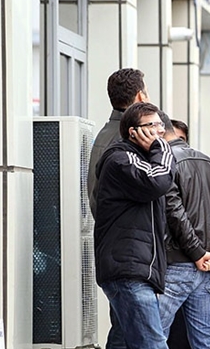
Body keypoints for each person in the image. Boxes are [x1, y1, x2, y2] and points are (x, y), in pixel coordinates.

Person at [93, 102, 175, 349]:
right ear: (133, 131)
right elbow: (158, 181)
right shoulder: (122, 159)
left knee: (123, 342)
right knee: (153, 343)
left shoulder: (140, 159)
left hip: (134, 267)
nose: (160, 131)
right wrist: (161, 148)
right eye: (152, 126)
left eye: (160, 125)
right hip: (128, 269)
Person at [156, 112, 210, 349]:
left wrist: (197, 253)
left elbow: (174, 213)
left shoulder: (165, 161)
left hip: (179, 263)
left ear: (161, 131)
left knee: (153, 335)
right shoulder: (209, 163)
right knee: (205, 338)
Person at [87, 68, 149, 349]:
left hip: (116, 249)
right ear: (139, 96)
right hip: (129, 253)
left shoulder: (106, 134)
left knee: (125, 329)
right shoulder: (126, 142)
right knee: (139, 335)